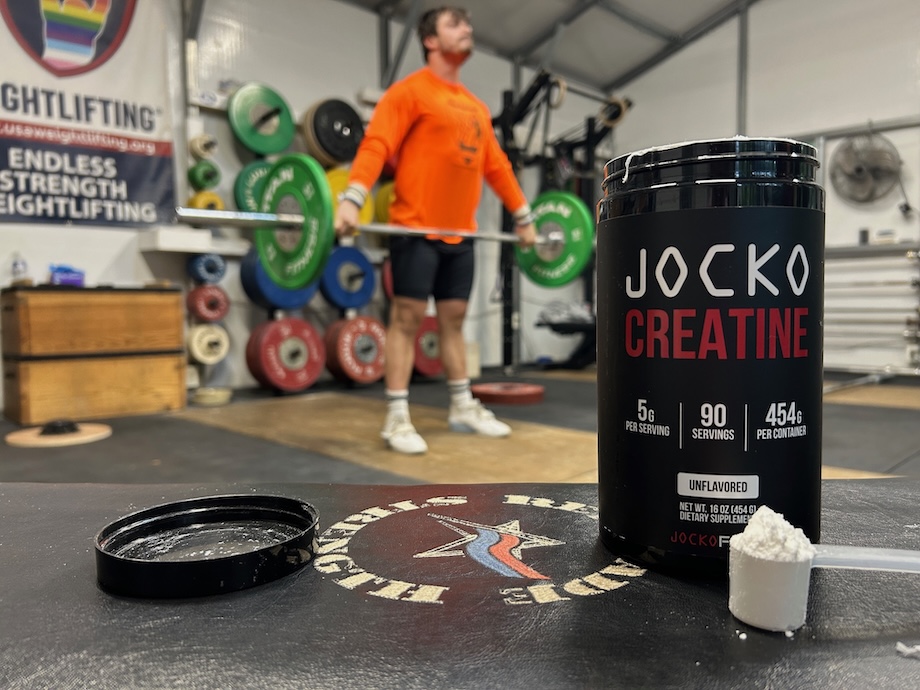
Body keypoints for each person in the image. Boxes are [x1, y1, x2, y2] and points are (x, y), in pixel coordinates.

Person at [334, 6, 537, 455]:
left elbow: (497, 168)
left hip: (460, 235)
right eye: (455, 24)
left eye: (468, 22)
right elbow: (377, 144)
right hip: (413, 229)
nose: (467, 29)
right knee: (406, 320)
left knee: (454, 321)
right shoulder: (408, 93)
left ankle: (462, 406)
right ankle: (397, 415)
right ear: (430, 39)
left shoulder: (477, 109)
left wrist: (523, 216)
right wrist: (352, 196)